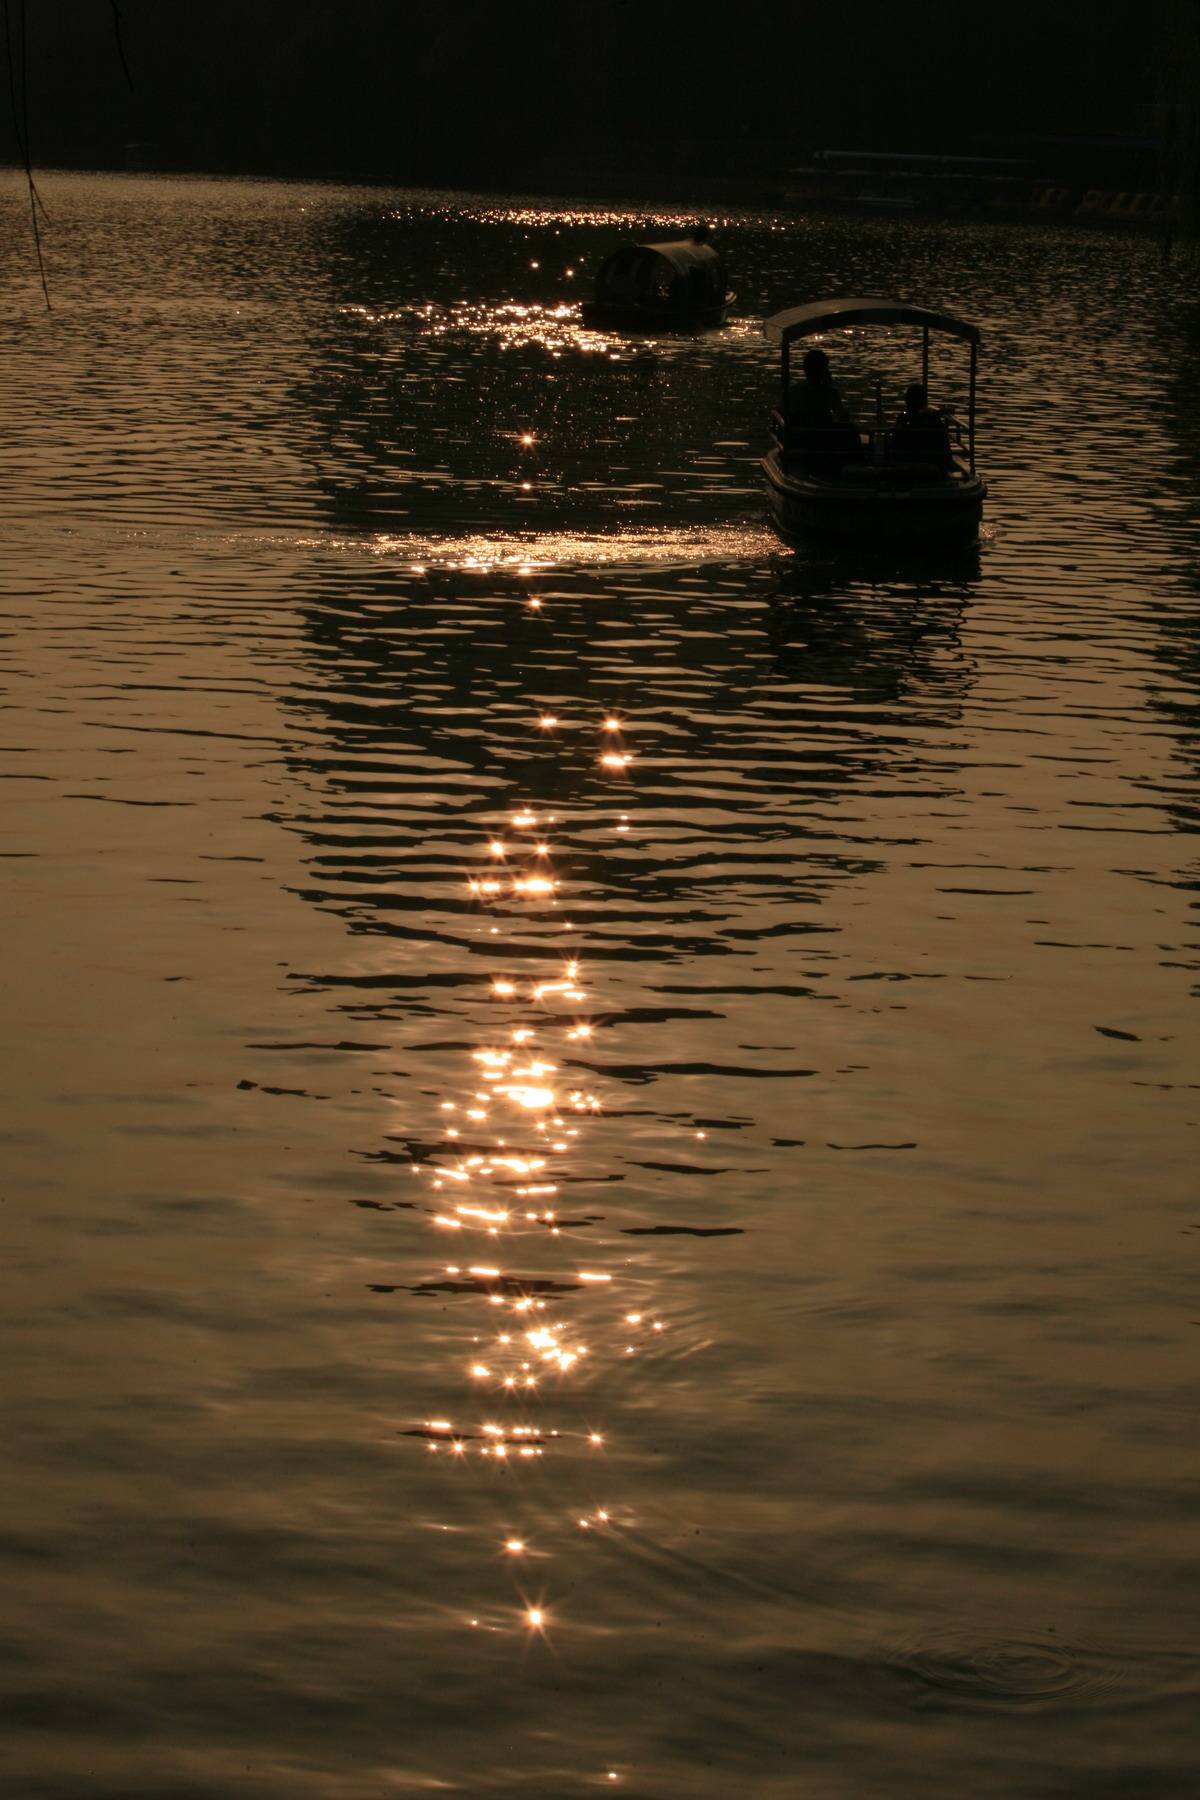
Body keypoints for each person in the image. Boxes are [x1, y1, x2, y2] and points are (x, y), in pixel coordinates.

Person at [785, 348, 860, 472]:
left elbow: (786, 412)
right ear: (824, 370)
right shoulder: (829, 392)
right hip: (821, 438)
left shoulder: (794, 391)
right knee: (850, 428)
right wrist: (829, 387)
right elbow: (843, 417)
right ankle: (856, 461)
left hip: (803, 438)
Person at [889, 382, 954, 472]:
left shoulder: (902, 420)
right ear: (924, 402)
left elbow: (894, 447)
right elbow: (945, 449)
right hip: (931, 467)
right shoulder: (935, 422)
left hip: (903, 467)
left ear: (907, 401)